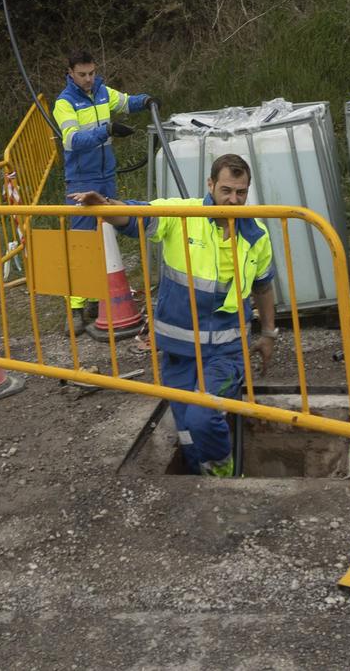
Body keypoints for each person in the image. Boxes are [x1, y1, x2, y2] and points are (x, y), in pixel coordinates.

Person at [72, 153, 276, 476]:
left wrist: (267, 334)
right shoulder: (183, 215)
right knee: (186, 429)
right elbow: (137, 216)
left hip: (225, 352)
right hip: (179, 352)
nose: (233, 200)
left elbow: (263, 288)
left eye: (241, 192)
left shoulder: (256, 234)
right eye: (226, 190)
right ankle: (195, 478)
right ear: (210, 185)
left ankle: (223, 474)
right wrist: (107, 207)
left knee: (202, 416)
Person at [52, 49, 153, 324]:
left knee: (106, 238)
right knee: (82, 243)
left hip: (106, 177)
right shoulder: (64, 103)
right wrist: (105, 131)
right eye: (82, 74)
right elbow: (72, 140)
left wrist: (146, 101)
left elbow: (126, 102)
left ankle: (98, 298)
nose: (88, 79)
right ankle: (75, 308)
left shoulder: (102, 92)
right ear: (70, 73)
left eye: (92, 73)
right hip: (82, 179)